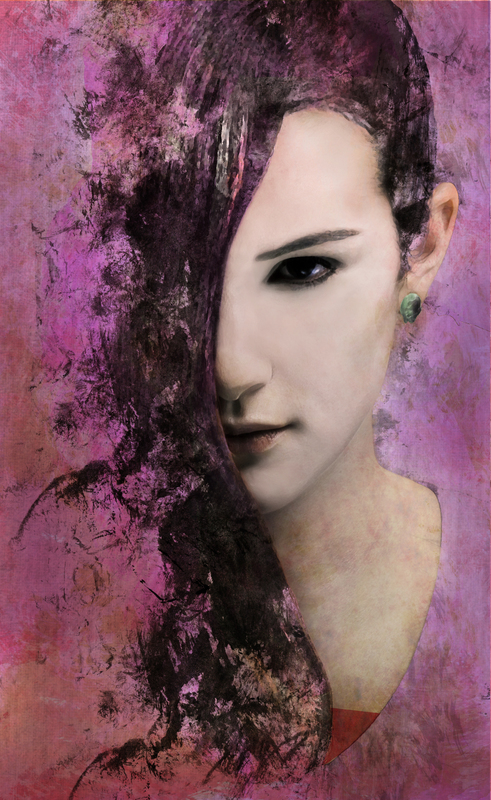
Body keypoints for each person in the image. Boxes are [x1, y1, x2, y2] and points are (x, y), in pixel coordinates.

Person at [9, 1, 459, 797]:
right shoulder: (59, 616)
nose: (229, 362)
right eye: (188, 277)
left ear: (420, 244)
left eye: (303, 269)